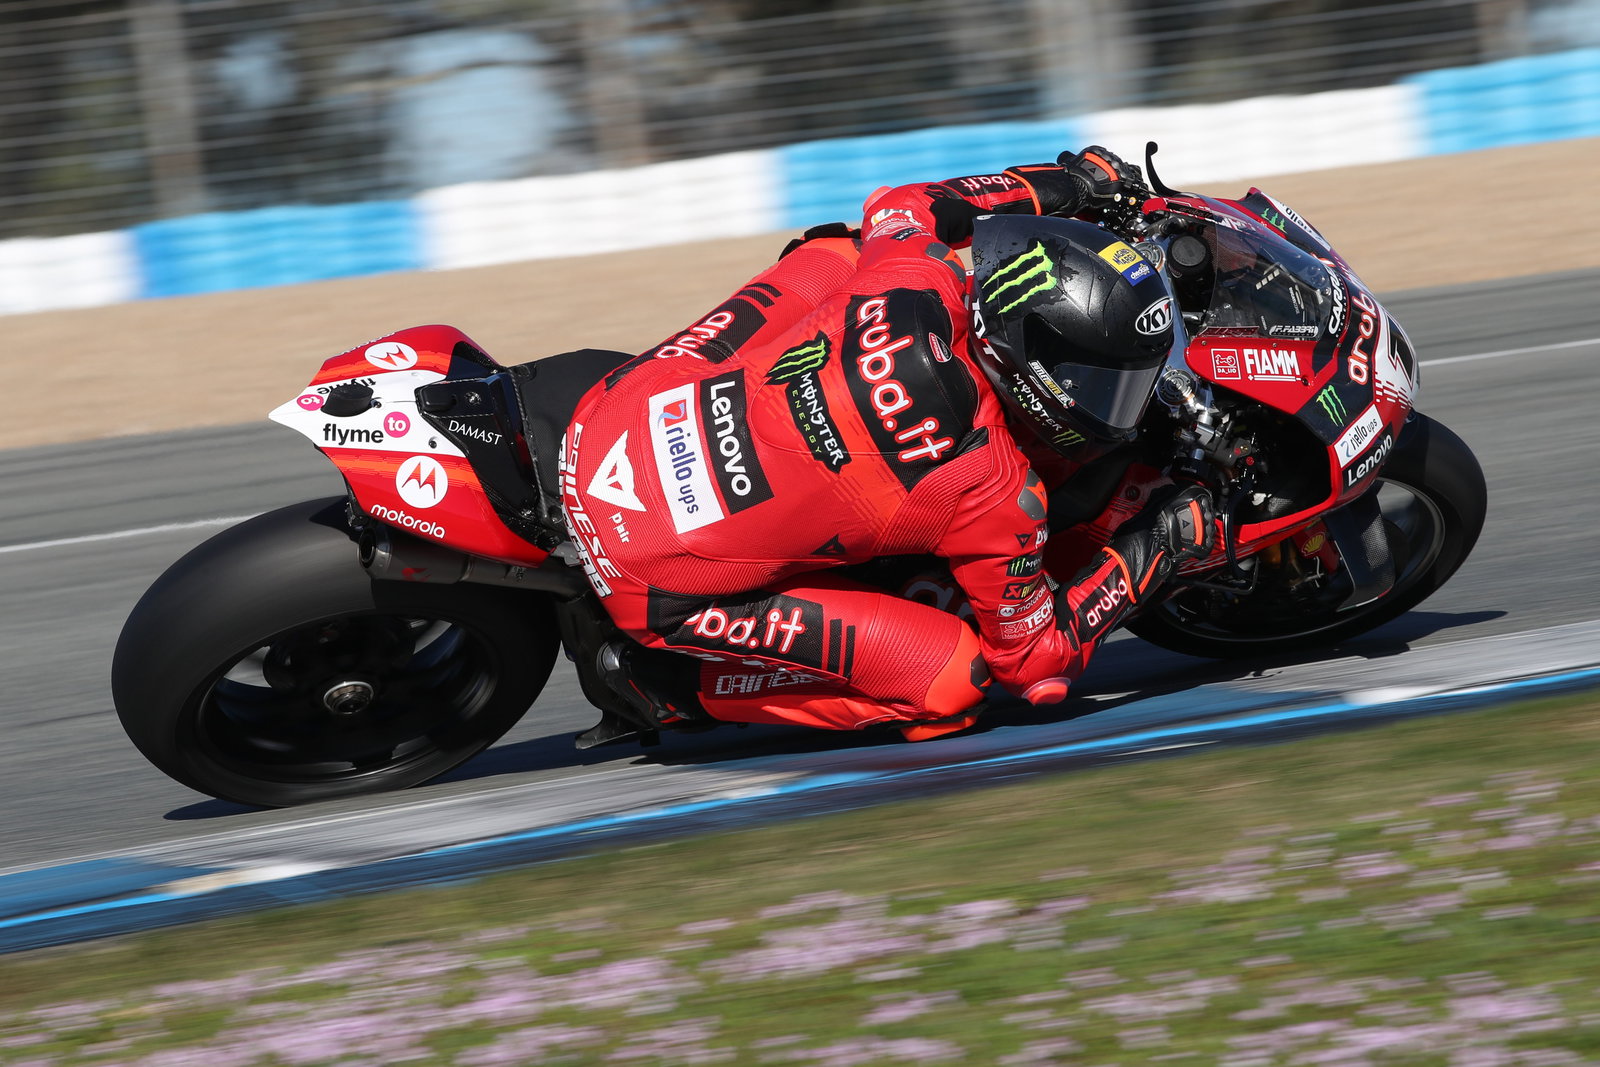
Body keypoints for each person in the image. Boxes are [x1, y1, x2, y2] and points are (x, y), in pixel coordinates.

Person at [559, 145, 1214, 745]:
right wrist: (1159, 544)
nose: (1117, 408)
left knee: (842, 252)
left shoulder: (916, 278)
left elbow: (901, 205)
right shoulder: (994, 489)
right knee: (954, 681)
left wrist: (1067, 183)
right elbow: (1035, 661)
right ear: (1032, 369)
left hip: (605, 420)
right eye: (1102, 384)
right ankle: (671, 686)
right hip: (647, 575)